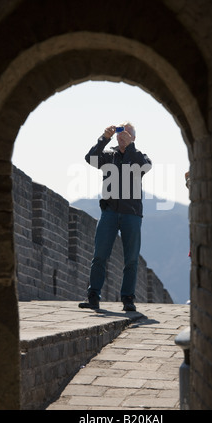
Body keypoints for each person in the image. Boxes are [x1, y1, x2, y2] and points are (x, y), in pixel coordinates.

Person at [79, 122, 152, 311]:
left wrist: (130, 147)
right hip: (109, 213)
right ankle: (93, 296)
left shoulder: (139, 156)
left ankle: (128, 299)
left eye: (127, 134)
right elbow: (90, 158)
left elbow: (143, 167)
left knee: (131, 259)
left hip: (132, 215)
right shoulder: (109, 157)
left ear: (134, 138)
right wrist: (104, 138)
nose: (123, 136)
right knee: (99, 256)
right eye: (120, 132)